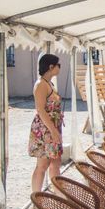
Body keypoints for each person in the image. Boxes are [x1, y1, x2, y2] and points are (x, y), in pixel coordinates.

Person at [29, 54, 64, 193]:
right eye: (58, 65)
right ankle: (36, 197)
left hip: (52, 128)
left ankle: (58, 194)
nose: (59, 68)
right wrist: (54, 131)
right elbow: (40, 110)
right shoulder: (41, 85)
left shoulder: (49, 83)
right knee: (42, 165)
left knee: (55, 163)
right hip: (45, 130)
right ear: (51, 67)